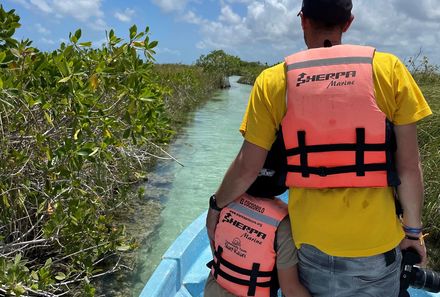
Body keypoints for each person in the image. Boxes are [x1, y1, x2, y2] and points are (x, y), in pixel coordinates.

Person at [206, 0, 432, 296]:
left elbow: (247, 167)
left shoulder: (272, 81)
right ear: (348, 22)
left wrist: (216, 205)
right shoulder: (389, 70)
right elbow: (408, 168)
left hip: (310, 247)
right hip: (377, 251)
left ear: (303, 21)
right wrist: (413, 232)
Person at [205, 134, 311, 297]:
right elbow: (290, 289)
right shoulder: (283, 224)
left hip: (213, 290)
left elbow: (216, 249)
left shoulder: (225, 202)